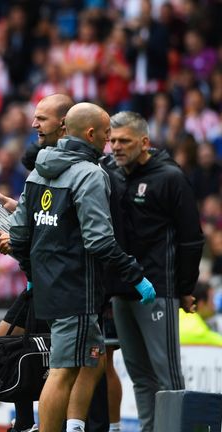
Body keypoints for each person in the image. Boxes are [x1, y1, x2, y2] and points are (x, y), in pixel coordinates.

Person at [7, 102, 156, 432]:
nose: (108, 141)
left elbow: (18, 235)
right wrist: (136, 277)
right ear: (91, 134)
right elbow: (99, 241)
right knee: (63, 371)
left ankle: (74, 427)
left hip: (51, 289)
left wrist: (34, 275)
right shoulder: (90, 174)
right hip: (77, 290)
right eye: (105, 134)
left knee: (86, 363)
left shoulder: (37, 172)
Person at [105, 111, 204, 432]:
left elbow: (191, 240)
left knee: (168, 377)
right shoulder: (113, 173)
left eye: (125, 141)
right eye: (113, 141)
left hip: (158, 289)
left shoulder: (170, 178)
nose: (117, 147)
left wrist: (185, 288)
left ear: (144, 142)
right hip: (122, 291)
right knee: (140, 377)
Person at [0, 93, 74, 432]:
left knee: (63, 366)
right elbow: (46, 221)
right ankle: (25, 423)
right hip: (36, 285)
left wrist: (19, 241)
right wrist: (21, 214)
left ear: (64, 125)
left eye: (41, 118)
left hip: (59, 285)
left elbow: (63, 233)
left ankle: (69, 424)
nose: (33, 123)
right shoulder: (42, 171)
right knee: (3, 347)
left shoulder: (80, 173)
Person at [179, 282, 222, 346]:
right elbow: (204, 337)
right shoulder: (195, 328)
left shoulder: (176, 314)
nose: (214, 306)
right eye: (212, 300)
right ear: (201, 304)